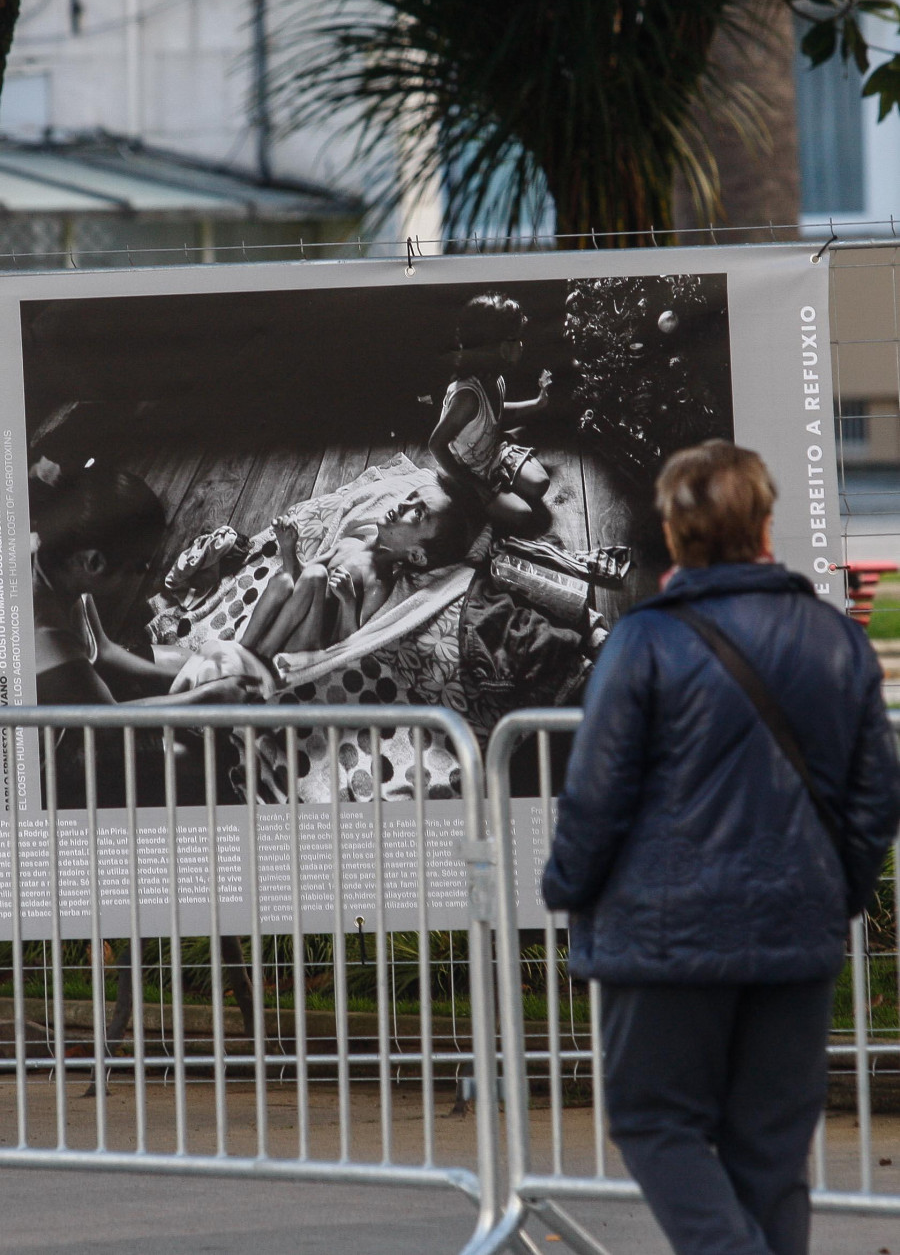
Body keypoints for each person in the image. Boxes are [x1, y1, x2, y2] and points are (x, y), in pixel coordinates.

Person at [542, 439, 900, 1255]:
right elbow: (875, 795)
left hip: (666, 937)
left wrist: (568, 886)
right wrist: (828, 892)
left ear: (673, 534)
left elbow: (596, 799)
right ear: (766, 525)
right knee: (772, 1155)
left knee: (652, 1120)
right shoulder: (832, 640)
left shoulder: (642, 643)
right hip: (794, 932)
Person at [32, 466, 258, 707]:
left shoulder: (64, 558)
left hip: (84, 669)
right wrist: (205, 694)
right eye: (138, 565)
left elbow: (104, 650)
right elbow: (109, 720)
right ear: (94, 562)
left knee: (188, 662)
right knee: (189, 743)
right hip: (70, 723)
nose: (145, 571)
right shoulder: (46, 640)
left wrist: (189, 679)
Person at [239, 480, 474, 659]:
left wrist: (348, 602)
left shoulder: (379, 582)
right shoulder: (349, 544)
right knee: (282, 582)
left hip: (306, 642)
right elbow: (296, 577)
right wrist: (288, 548)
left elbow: (349, 639)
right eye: (411, 497)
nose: (403, 504)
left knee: (317, 575)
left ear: (415, 554)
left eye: (418, 513)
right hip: (288, 622)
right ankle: (242, 649)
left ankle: (260, 659)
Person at [429, 293, 552, 529]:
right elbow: (435, 445)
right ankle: (458, 490)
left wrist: (537, 403)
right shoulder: (467, 397)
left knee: (539, 484)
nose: (522, 344)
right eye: (517, 339)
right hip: (465, 470)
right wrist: (473, 484)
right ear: (500, 348)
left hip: (491, 454)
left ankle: (500, 477)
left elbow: (494, 414)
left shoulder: (495, 378)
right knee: (522, 515)